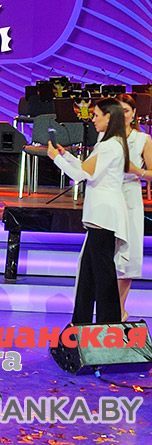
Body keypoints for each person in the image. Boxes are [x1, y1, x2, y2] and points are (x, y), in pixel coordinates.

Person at [48, 97, 131, 324]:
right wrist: (66, 156)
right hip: (99, 217)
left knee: (102, 276)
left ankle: (108, 325)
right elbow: (87, 169)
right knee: (88, 274)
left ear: (108, 117)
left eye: (96, 115)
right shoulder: (110, 143)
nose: (92, 120)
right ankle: (81, 323)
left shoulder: (110, 146)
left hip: (103, 216)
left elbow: (81, 175)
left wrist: (56, 159)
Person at [114, 94, 152, 321]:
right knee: (107, 254)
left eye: (126, 111)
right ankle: (109, 308)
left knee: (128, 254)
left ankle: (120, 309)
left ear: (134, 113)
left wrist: (137, 171)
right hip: (108, 197)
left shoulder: (143, 139)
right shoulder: (106, 137)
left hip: (130, 196)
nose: (122, 116)